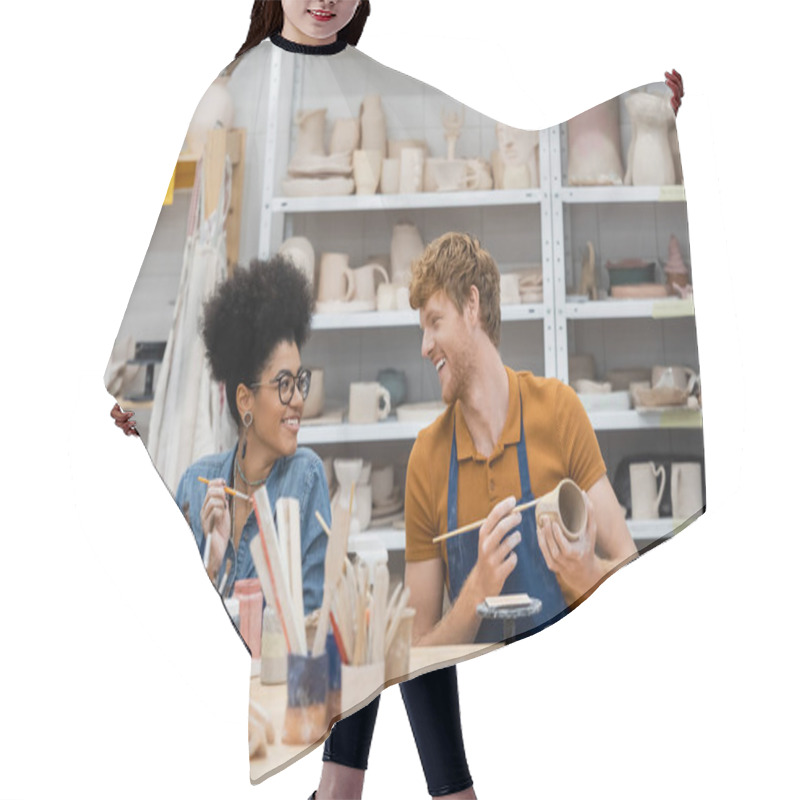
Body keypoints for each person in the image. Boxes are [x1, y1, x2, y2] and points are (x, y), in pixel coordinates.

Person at [403, 232, 638, 649]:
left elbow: (630, 568)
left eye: (435, 322)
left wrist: (585, 572)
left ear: (472, 306)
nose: (424, 346)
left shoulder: (558, 412)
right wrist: (476, 592)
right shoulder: (427, 457)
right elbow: (417, 653)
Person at [171, 254, 329, 612]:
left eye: (300, 382)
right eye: (284, 384)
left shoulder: (305, 479)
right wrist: (212, 564)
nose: (299, 400)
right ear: (246, 400)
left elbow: (309, 622)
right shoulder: (194, 486)